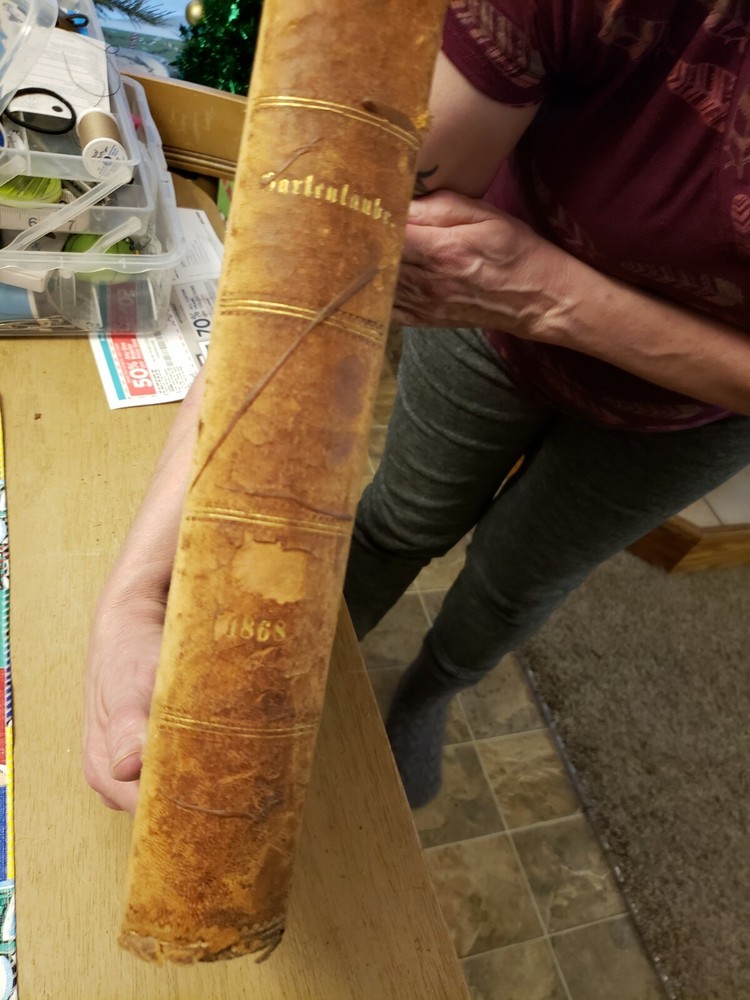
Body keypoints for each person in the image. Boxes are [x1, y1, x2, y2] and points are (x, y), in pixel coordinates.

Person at [84, 0, 750, 814]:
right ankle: (307, 680)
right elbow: (310, 278)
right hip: (482, 307)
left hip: (693, 408)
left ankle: (434, 688)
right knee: (401, 520)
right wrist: (138, 595)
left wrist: (553, 299)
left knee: (517, 581)